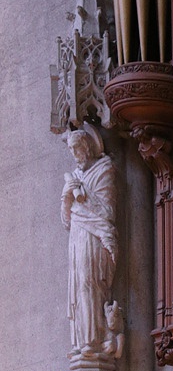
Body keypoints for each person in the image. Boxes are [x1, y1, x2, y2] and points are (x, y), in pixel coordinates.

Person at [61, 124, 118, 356]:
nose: (75, 154)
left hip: (94, 238)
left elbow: (108, 213)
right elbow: (66, 221)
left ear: (87, 147)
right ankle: (82, 340)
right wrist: (67, 195)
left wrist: (83, 197)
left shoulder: (104, 171)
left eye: (77, 148)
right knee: (78, 286)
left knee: (90, 283)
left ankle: (94, 340)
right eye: (71, 150)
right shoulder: (75, 177)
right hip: (77, 237)